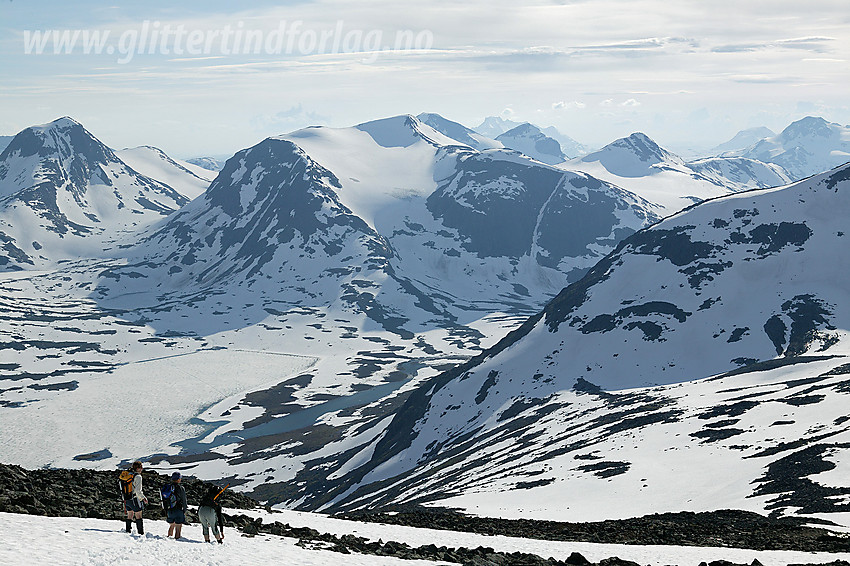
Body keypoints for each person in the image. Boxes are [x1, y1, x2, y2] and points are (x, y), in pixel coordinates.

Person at [121, 461, 148, 535]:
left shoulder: (129, 475)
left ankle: (128, 530)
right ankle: (140, 533)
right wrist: (143, 498)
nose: (142, 469)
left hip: (127, 498)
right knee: (138, 515)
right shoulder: (138, 477)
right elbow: (137, 490)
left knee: (130, 514)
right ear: (138, 468)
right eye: (141, 467)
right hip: (134, 498)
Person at [166, 472, 188, 540]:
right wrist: (184, 509)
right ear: (178, 479)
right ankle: (177, 539)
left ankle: (169, 538)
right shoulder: (181, 488)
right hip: (178, 509)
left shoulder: (168, 487)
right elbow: (184, 500)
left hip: (170, 509)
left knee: (171, 525)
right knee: (178, 526)